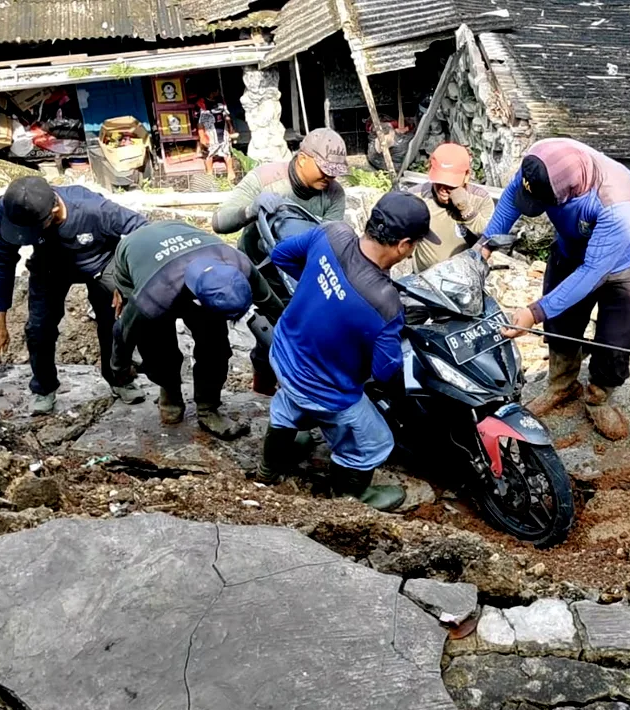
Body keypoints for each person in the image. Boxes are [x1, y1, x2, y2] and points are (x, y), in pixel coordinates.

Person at [254, 191, 442, 511]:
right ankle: (348, 498)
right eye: (414, 245)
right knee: (375, 441)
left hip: (284, 354)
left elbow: (282, 255)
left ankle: (268, 469)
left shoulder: (332, 233)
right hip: (324, 389)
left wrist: (325, 292)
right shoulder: (385, 302)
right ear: (403, 245)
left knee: (288, 402)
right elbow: (384, 373)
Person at [483, 138, 630, 441]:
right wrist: (485, 246)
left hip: (628, 266)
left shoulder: (616, 202)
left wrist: (533, 312)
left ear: (568, 193)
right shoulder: (542, 160)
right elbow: (514, 196)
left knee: (615, 340)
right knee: (561, 323)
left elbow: (593, 272)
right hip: (572, 251)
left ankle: (598, 397)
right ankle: (562, 385)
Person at [106, 221, 285, 440]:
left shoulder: (240, 264)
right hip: (137, 254)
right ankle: (170, 394)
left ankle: (208, 408)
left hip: (183, 235)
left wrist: (298, 349)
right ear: (199, 301)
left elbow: (276, 309)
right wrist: (119, 370)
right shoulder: (152, 298)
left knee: (215, 345)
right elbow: (123, 334)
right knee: (158, 347)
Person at [0, 176, 149, 415]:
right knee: (39, 328)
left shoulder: (95, 209)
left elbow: (143, 230)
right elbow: (2, 263)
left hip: (102, 262)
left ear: (53, 211)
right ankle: (44, 388)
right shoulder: (12, 211)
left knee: (114, 323)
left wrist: (126, 281)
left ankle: (119, 378)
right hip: (49, 266)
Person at [213, 128, 350, 394]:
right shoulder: (265, 178)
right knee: (270, 337)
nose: (330, 176)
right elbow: (219, 221)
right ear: (302, 159)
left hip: (300, 274)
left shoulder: (333, 194)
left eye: (335, 170)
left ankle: (296, 393)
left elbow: (330, 243)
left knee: (301, 337)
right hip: (259, 271)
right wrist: (251, 209)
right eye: (324, 168)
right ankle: (264, 391)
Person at [412, 142, 496, 272]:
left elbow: (490, 237)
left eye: (451, 183)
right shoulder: (417, 197)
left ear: (466, 176)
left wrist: (466, 210)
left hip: (465, 277)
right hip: (424, 278)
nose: (444, 189)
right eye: (440, 182)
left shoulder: (480, 199)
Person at [195, 89, 235, 183]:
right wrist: (202, 136)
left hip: (223, 130)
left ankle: (230, 171)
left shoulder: (221, 101)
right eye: (216, 90)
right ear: (212, 91)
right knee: (209, 153)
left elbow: (226, 115)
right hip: (209, 132)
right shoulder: (201, 103)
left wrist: (230, 127)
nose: (218, 92)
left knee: (227, 151)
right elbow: (199, 122)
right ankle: (209, 173)